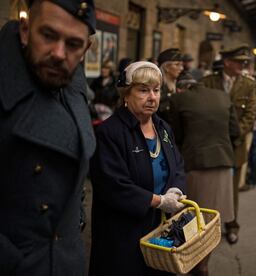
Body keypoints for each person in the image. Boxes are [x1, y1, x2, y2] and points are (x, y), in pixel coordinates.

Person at [0, 0, 96, 275]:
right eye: (48, 35)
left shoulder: (69, 82)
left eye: (73, 44)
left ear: (85, 49)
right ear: (25, 29)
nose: (58, 53)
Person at [89, 61, 186, 276]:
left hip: (160, 230)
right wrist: (159, 201)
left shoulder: (163, 127)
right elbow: (113, 185)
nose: (152, 97)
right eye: (143, 90)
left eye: (156, 90)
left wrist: (175, 190)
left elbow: (178, 165)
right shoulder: (110, 133)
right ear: (126, 94)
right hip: (123, 234)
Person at [170, 72, 240, 276]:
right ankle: (203, 263)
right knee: (211, 221)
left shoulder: (178, 99)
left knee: (192, 218)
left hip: (196, 164)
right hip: (223, 164)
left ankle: (196, 264)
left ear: (181, 87)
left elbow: (176, 135)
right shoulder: (223, 96)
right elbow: (235, 131)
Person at [201, 44, 256, 244]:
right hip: (211, 145)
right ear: (227, 62)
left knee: (231, 190)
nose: (244, 64)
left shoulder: (248, 85)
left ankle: (232, 226)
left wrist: (234, 134)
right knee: (208, 187)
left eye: (245, 62)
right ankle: (205, 227)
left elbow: (250, 115)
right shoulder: (208, 82)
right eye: (240, 61)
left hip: (235, 146)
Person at [157, 48, 184, 122]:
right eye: (177, 64)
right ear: (166, 67)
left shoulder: (180, 84)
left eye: (181, 65)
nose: (181, 68)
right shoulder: (157, 86)